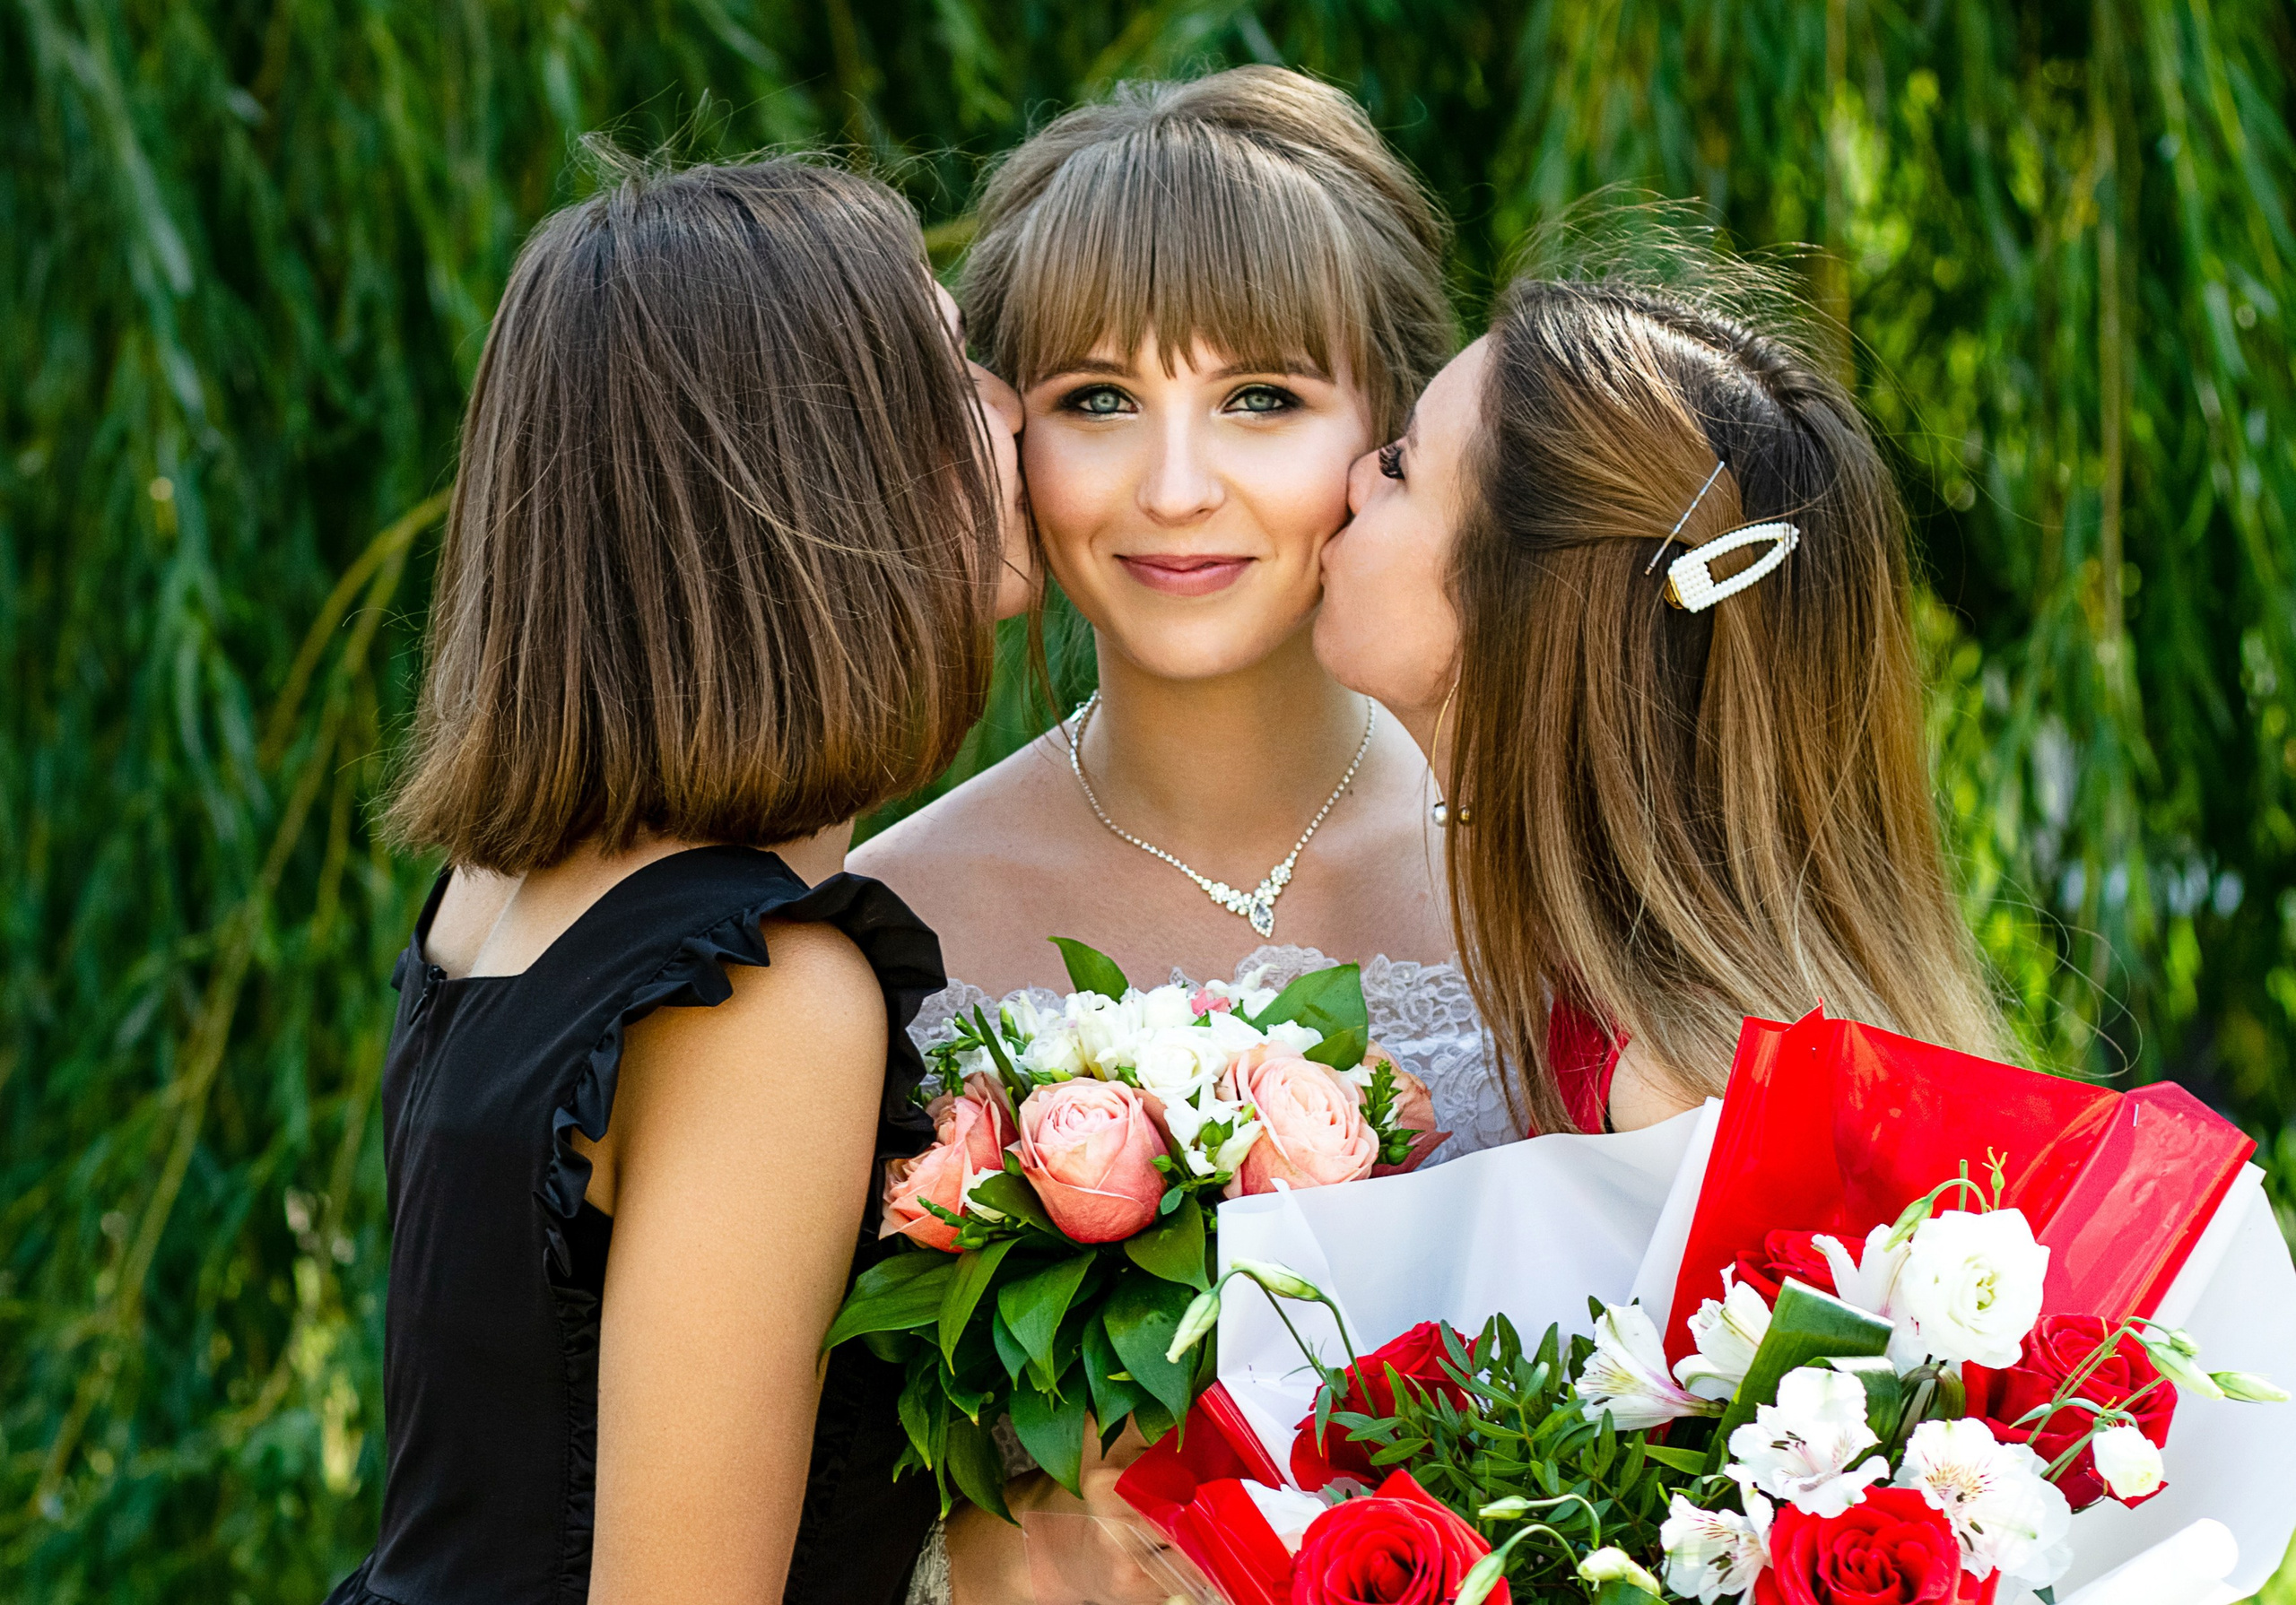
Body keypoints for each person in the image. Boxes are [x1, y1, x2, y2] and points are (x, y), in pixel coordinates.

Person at [328, 156, 1027, 1605]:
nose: (1012, 409)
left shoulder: (508, 885)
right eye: (954, 368)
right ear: (820, 466)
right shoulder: (758, 996)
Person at [852, 65, 1490, 1603]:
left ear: (1387, 430)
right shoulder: (883, 920)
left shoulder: (1545, 875)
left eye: (1260, 398)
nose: (1178, 488)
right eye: (1098, 403)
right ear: (1007, 442)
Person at [1314, 265, 2010, 1140]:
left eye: (1399, 466)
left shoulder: (1674, 1100)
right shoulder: (1623, 1008)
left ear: (1518, 607)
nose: (1351, 480)